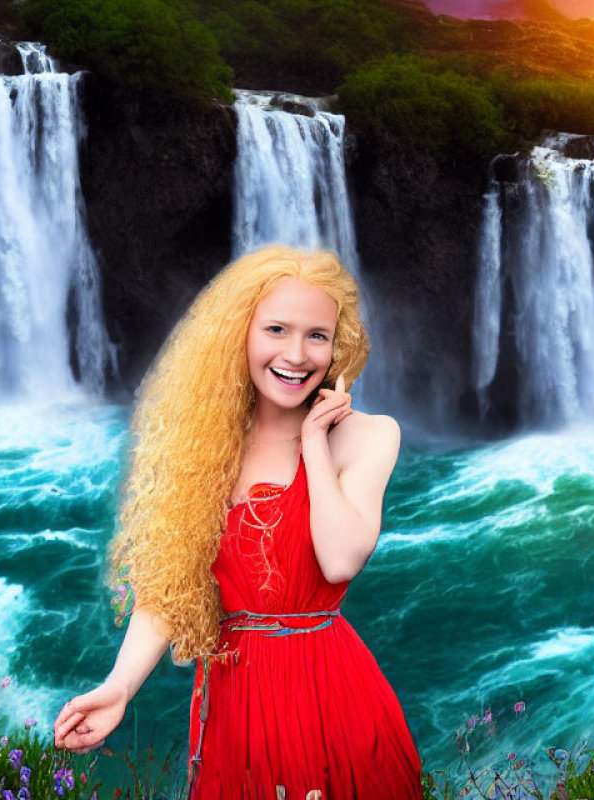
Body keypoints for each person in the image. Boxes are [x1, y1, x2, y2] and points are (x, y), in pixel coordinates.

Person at [53, 246, 424, 799]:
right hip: (235, 705)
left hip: (330, 694)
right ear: (239, 335)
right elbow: (169, 590)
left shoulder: (371, 436)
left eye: (317, 335)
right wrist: (119, 687)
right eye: (276, 329)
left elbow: (341, 557)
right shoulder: (201, 447)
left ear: (338, 345)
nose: (296, 354)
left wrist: (315, 443)